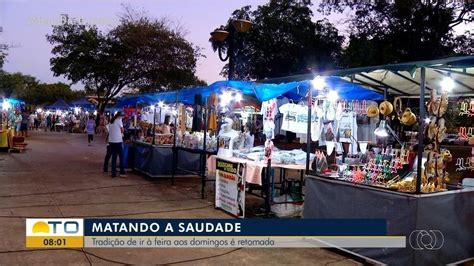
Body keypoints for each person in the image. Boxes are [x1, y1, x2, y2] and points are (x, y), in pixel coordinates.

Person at [107, 112, 126, 178]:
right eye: (122, 116)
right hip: (118, 141)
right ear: (119, 116)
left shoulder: (111, 121)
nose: (122, 118)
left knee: (114, 157)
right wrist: (121, 132)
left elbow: (109, 130)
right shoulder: (119, 120)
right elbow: (122, 130)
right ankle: (122, 172)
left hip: (111, 141)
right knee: (121, 157)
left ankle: (113, 173)